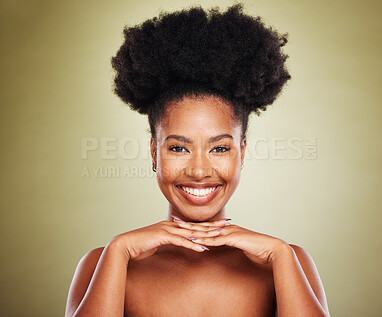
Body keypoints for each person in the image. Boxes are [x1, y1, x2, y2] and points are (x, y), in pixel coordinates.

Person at [65, 3, 330, 317]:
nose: (200, 171)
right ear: (154, 152)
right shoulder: (105, 263)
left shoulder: (287, 262)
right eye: (178, 148)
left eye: (219, 149)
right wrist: (118, 252)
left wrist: (281, 257)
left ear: (241, 153)